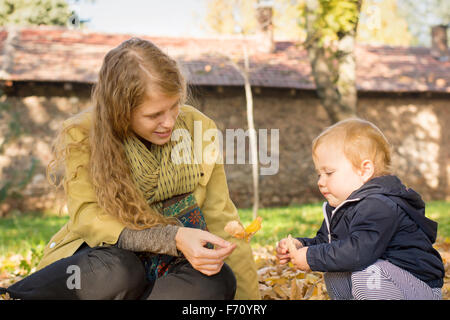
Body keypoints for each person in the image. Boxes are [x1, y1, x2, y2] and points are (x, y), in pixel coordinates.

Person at [1, 38, 260, 300]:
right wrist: (171, 238)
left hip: (168, 267)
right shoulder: (84, 133)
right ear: (121, 110)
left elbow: (221, 218)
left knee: (219, 280)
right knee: (120, 270)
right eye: (154, 115)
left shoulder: (198, 128)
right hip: (103, 260)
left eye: (174, 107)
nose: (169, 122)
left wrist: (251, 303)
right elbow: (88, 217)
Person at [276, 118, 445, 300]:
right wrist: (302, 246)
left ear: (364, 170)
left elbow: (359, 252)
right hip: (386, 279)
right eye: (319, 174)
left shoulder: (379, 205)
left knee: (367, 271)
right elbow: (328, 244)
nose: (320, 181)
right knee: (336, 270)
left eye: (329, 173)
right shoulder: (344, 207)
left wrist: (312, 257)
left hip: (416, 286)